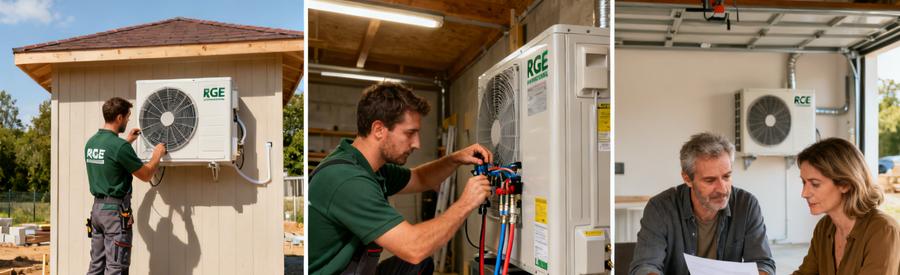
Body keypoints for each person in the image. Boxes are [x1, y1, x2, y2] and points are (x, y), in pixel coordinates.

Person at [308, 82, 493, 275]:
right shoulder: (348, 180)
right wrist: (465, 203)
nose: (417, 144)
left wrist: (456, 158)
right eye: (410, 133)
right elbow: (414, 248)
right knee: (417, 256)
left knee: (417, 266)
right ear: (379, 129)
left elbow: (420, 178)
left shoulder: (368, 166)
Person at [629, 132, 775, 275]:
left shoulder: (747, 205)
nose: (722, 189)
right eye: (710, 180)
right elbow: (645, 266)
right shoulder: (660, 208)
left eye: (726, 176)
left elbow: (763, 263)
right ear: (687, 179)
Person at [792, 138, 900, 275]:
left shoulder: (883, 230)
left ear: (845, 184)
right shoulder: (824, 227)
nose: (804, 193)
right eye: (803, 183)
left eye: (815, 184)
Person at [85, 97, 166, 275]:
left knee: (96, 265)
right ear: (119, 118)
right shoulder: (119, 147)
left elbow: (110, 158)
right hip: (114, 213)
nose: (129, 120)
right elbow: (145, 175)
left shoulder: (91, 143)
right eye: (128, 116)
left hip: (97, 211)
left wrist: (127, 141)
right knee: (116, 267)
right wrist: (157, 155)